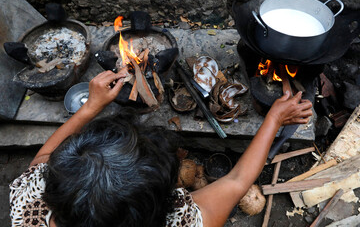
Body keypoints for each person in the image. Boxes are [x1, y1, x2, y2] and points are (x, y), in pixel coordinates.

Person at [9, 70, 312, 227]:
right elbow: (237, 181)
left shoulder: (29, 204)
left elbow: (45, 157)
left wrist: (91, 108)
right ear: (156, 205)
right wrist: (274, 120)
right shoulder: (186, 222)